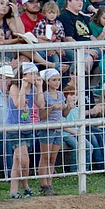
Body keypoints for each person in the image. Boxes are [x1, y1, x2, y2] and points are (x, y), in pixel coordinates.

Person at [6, 62, 40, 199]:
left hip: (26, 125)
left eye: (35, 74)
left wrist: (40, 87)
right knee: (24, 160)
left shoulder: (34, 88)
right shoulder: (15, 87)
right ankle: (25, 186)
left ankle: (13, 191)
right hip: (14, 126)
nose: (35, 76)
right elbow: (19, 105)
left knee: (18, 161)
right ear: (23, 75)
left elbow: (41, 104)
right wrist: (23, 88)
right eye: (31, 74)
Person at [35, 68, 67, 196]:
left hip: (58, 128)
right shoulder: (44, 95)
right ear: (48, 81)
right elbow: (42, 115)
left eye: (58, 80)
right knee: (45, 156)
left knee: (52, 157)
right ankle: (44, 184)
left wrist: (69, 107)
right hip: (47, 128)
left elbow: (64, 113)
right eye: (54, 80)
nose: (57, 82)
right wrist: (53, 107)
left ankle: (49, 184)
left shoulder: (61, 95)